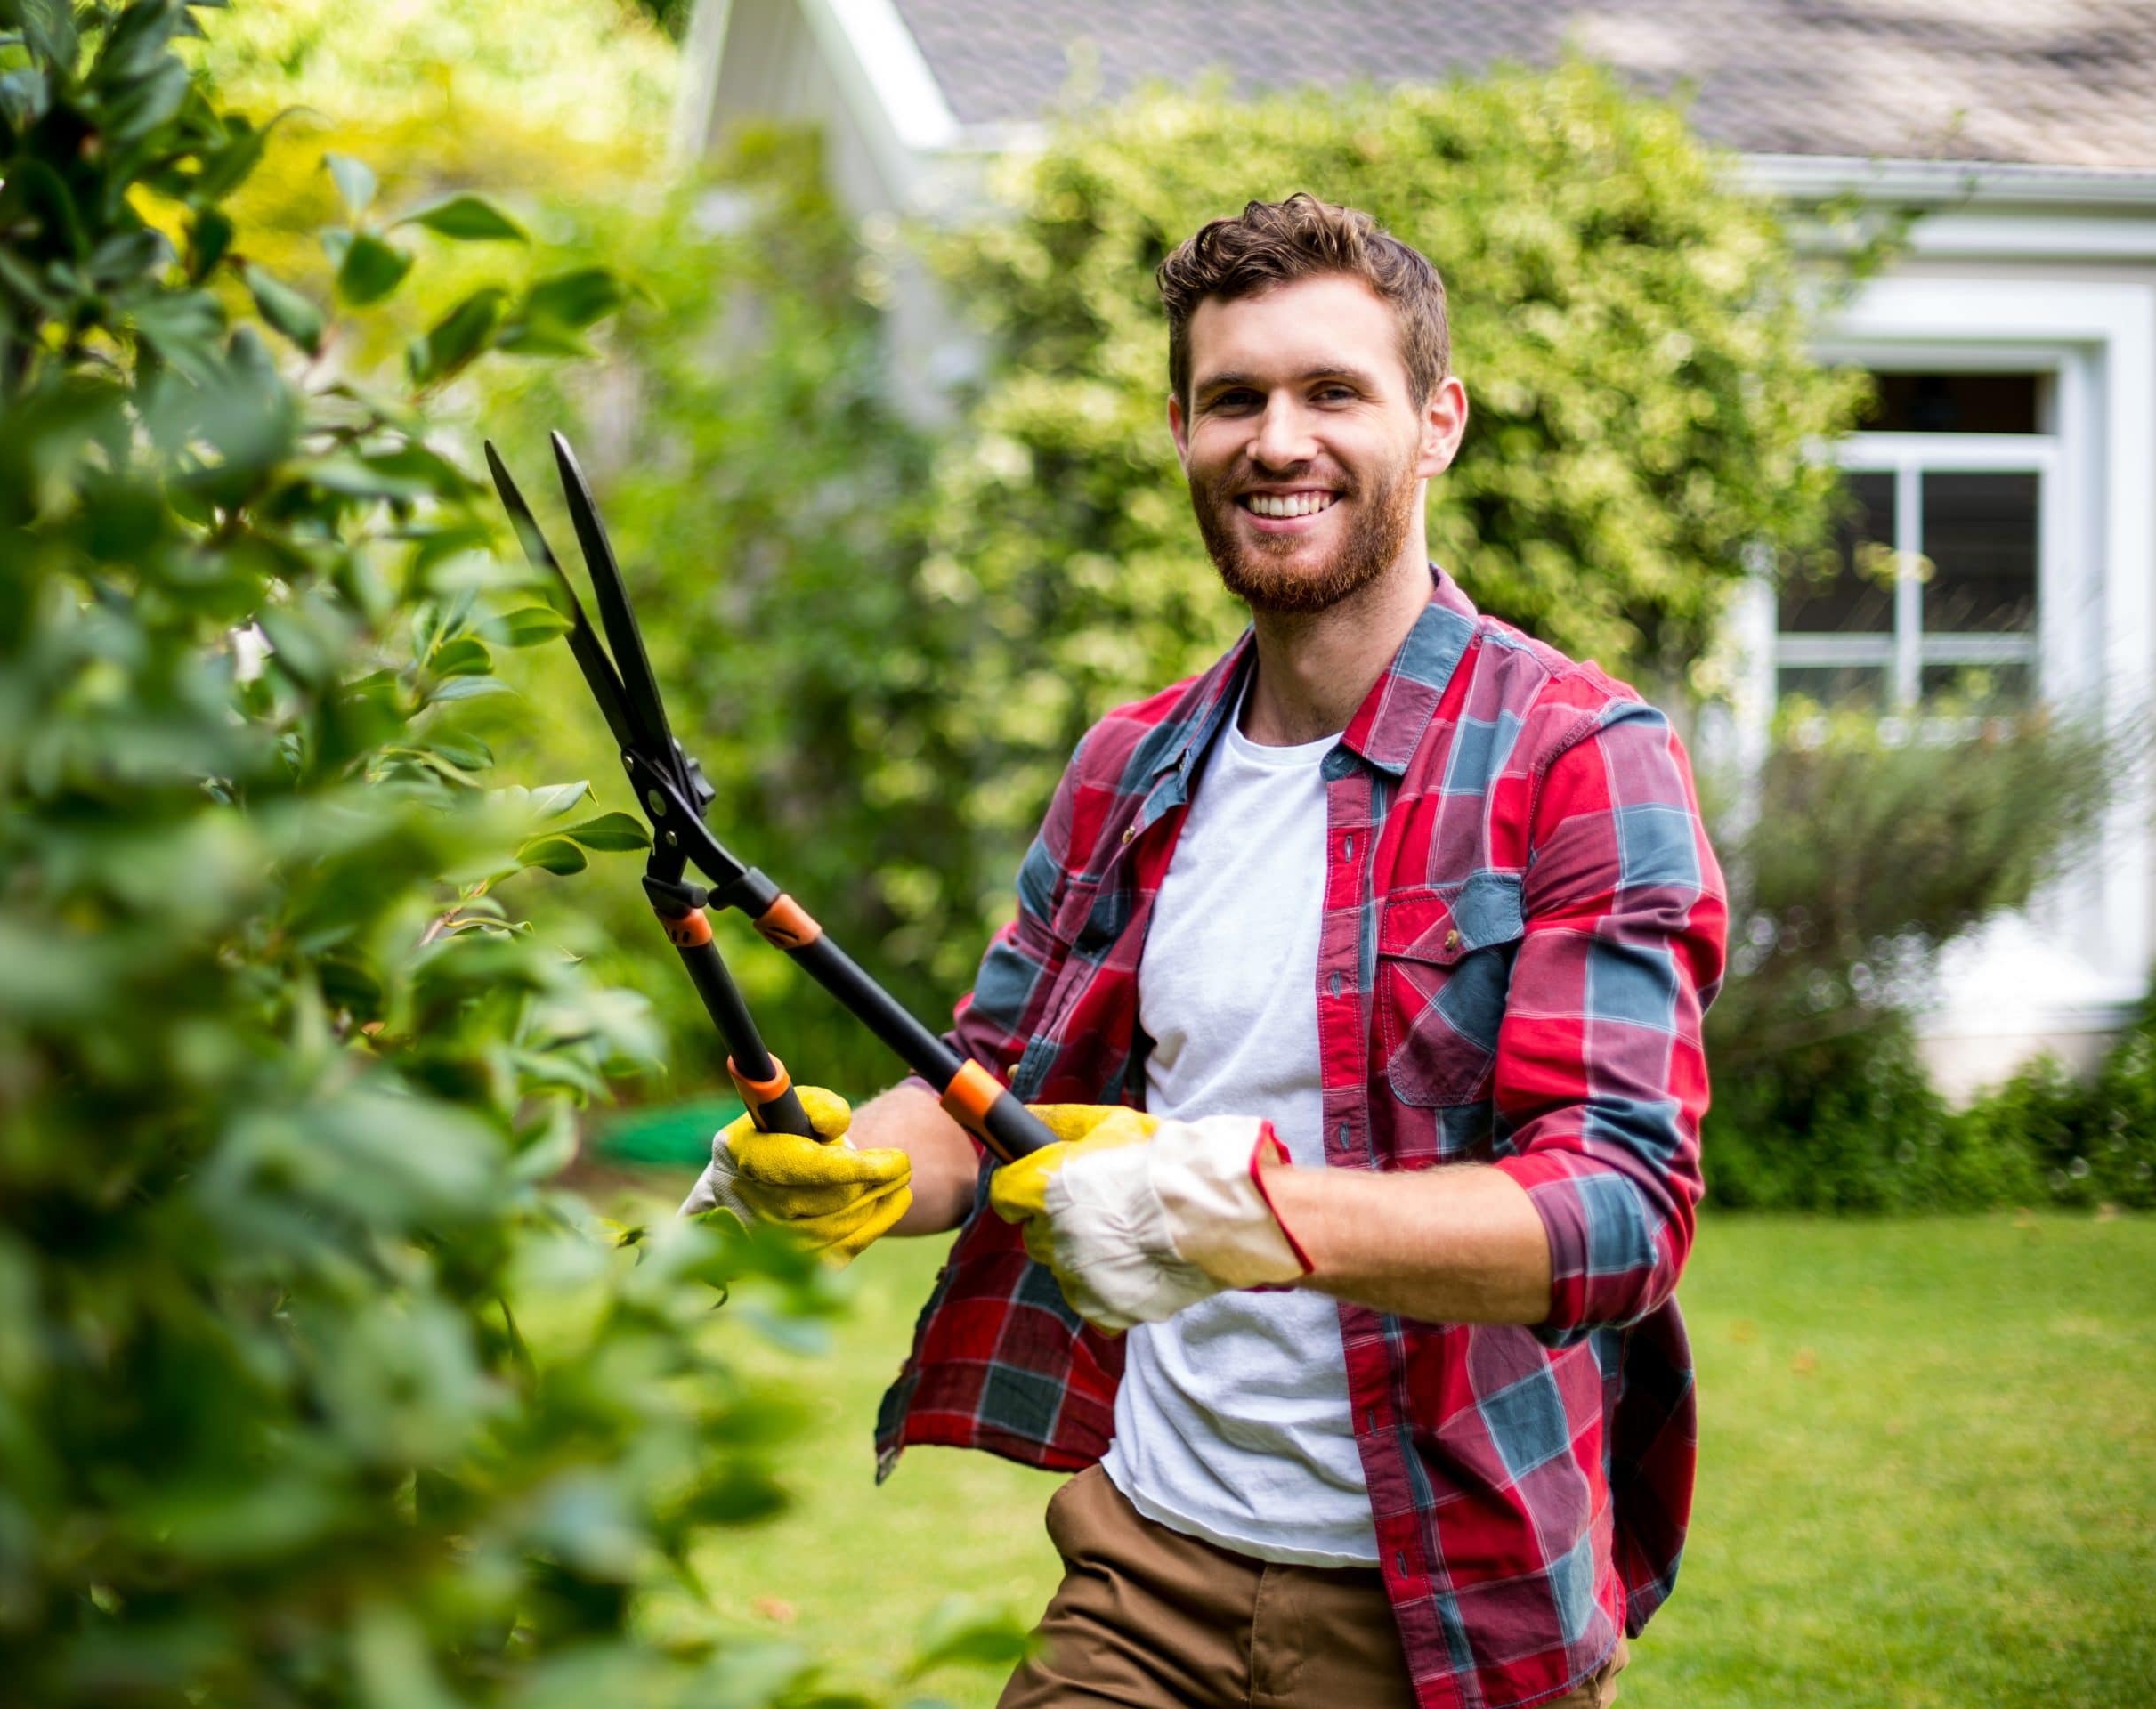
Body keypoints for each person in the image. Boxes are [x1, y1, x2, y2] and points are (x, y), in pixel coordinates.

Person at [683, 194, 1726, 1709]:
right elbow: (985, 1090)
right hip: (1145, 1565)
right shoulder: (1133, 763)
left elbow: (1620, 1216)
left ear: (1436, 423)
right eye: (1234, 398)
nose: (1277, 439)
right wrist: (861, 1164)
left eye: (1332, 392)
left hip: (1443, 1599)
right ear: (1179, 428)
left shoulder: (1579, 758)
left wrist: (1244, 1218)